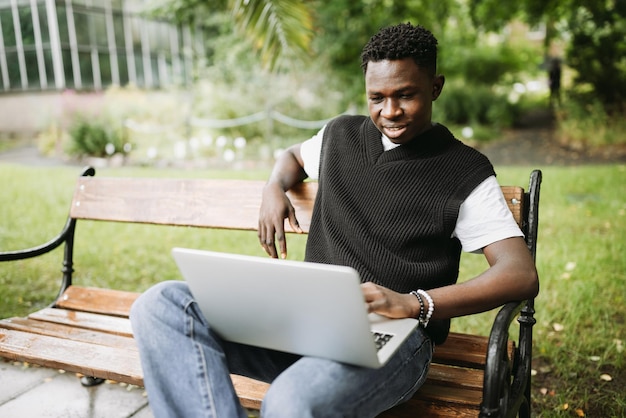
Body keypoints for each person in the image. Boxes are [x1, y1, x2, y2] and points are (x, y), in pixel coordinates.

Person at [130, 23, 539, 417]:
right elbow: (291, 156)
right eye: (376, 97)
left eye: (406, 95)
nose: (390, 111)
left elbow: (518, 274)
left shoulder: (464, 171)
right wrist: (273, 186)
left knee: (291, 402)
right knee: (163, 305)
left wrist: (414, 303)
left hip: (394, 337)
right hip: (302, 320)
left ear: (436, 88)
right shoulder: (339, 135)